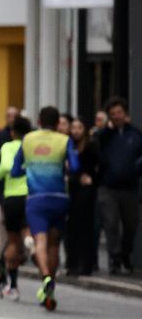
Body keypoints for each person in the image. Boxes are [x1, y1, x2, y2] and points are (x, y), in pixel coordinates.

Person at [10, 106, 80, 310]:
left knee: (40, 241)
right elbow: (75, 167)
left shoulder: (27, 140)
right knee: (54, 244)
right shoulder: (65, 140)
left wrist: (31, 169)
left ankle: (46, 278)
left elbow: (15, 171)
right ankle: (50, 288)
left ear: (39, 122)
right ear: (58, 123)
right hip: (59, 198)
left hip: (37, 199)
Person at [95, 97, 141, 275]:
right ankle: (114, 259)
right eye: (113, 114)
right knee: (111, 223)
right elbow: (95, 145)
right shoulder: (105, 136)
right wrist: (106, 129)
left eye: (119, 112)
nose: (117, 116)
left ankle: (125, 255)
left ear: (125, 114)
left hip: (130, 187)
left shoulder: (135, 134)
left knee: (131, 225)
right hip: (108, 187)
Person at [0, 115, 32, 299]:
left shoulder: (8, 146)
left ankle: (13, 286)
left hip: (12, 196)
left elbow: (6, 165)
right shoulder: (31, 146)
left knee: (13, 241)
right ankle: (29, 242)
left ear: (12, 132)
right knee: (26, 230)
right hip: (30, 195)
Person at [66, 116, 100, 276]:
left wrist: (92, 179)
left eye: (79, 128)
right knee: (72, 227)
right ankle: (72, 263)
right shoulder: (69, 146)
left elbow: (102, 164)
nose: (76, 131)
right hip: (72, 190)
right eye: (73, 128)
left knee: (85, 227)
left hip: (86, 192)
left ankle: (86, 264)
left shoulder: (91, 146)